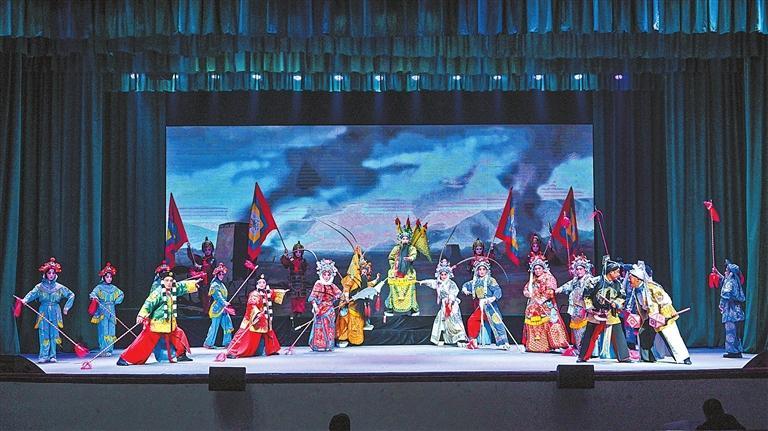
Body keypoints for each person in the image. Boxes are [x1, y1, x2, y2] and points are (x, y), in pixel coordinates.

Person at [117, 270, 199, 365]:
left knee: (179, 334)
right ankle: (124, 358)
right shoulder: (157, 293)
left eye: (171, 281)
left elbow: (181, 286)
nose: (169, 283)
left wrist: (193, 284)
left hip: (169, 323)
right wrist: (141, 315)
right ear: (162, 281)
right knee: (143, 342)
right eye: (167, 280)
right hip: (156, 324)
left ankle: (180, 355)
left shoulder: (173, 290)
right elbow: (148, 303)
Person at [627, 261, 692, 364]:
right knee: (644, 333)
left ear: (637, 279)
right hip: (650, 316)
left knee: (671, 336)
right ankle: (647, 358)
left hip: (662, 314)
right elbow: (641, 306)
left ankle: (684, 358)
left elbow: (665, 301)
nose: (628, 280)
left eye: (630, 277)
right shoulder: (636, 290)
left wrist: (664, 317)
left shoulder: (652, 288)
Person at [577, 258, 632, 363]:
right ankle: (583, 356)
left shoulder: (618, 284)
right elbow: (586, 296)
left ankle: (624, 357)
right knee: (590, 334)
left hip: (611, 312)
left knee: (617, 334)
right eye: (617, 272)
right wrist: (590, 308)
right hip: (596, 312)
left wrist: (616, 303)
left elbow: (622, 296)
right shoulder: (595, 281)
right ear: (610, 272)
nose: (618, 274)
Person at [21, 257, 75, 363]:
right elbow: (31, 294)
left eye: (53, 273)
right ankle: (43, 355)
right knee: (43, 333)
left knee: (54, 333)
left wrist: (66, 307)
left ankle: (53, 355)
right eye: (49, 273)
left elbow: (71, 295)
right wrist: (25, 300)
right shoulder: (39, 287)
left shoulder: (59, 287)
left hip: (55, 311)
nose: (51, 275)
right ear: (45, 274)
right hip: (43, 311)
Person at [226, 274, 286, 358]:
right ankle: (233, 352)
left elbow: (273, 292)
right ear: (257, 284)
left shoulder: (267, 292)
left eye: (263, 282)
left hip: (264, 318)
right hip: (252, 318)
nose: (262, 284)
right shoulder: (254, 294)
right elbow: (252, 305)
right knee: (243, 335)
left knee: (269, 333)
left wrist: (283, 291)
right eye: (260, 282)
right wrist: (257, 313)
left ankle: (272, 350)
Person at [522, 254, 569, 352]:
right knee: (535, 325)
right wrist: (527, 293)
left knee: (552, 323)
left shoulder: (549, 278)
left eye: (539, 268)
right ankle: (538, 346)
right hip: (534, 306)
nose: (537, 271)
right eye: (535, 269)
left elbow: (551, 291)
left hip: (546, 305)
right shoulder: (533, 279)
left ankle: (557, 345)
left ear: (543, 268)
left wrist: (541, 299)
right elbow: (526, 288)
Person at [461, 257, 510, 349]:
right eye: (480, 269)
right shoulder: (475, 281)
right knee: (472, 320)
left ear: (487, 270)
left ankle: (504, 343)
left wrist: (493, 298)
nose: (481, 271)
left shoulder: (491, 280)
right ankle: (473, 342)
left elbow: (497, 290)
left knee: (497, 323)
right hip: (481, 306)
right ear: (476, 271)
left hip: (490, 306)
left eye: (483, 269)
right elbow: (466, 285)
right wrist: (464, 289)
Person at [336, 246, 380, 347]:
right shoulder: (352, 277)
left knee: (358, 320)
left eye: (365, 270)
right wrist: (347, 298)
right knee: (345, 319)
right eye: (362, 269)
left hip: (358, 303)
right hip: (349, 302)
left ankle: (356, 338)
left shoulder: (362, 278)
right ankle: (343, 338)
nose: (364, 271)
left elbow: (367, 285)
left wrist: (376, 280)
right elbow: (346, 287)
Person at [418, 259, 468, 346]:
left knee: (454, 321)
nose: (443, 276)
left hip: (452, 304)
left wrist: (450, 302)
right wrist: (422, 282)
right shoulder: (438, 283)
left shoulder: (451, 283)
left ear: (448, 274)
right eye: (442, 274)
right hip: (444, 304)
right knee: (441, 321)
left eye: (445, 274)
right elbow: (431, 282)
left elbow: (454, 292)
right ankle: (442, 339)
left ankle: (460, 339)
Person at [384, 217, 425, 316]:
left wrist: (410, 258)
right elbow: (391, 258)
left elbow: (414, 255)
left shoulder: (411, 248)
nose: (405, 240)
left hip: (408, 272)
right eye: (403, 239)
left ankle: (413, 308)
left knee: (410, 291)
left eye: (407, 239)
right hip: (396, 272)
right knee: (393, 291)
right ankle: (390, 308)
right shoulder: (396, 248)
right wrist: (395, 265)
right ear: (401, 240)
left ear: (409, 239)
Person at [556, 254, 592, 356]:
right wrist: (560, 289)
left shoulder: (589, 280)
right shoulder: (575, 280)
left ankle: (587, 350)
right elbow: (568, 285)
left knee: (585, 330)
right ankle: (580, 349)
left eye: (581, 269)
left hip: (586, 308)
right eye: (577, 269)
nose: (579, 271)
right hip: (575, 308)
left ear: (585, 269)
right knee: (576, 330)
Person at [88, 262, 124, 356]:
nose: (109, 278)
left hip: (111, 310)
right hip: (102, 310)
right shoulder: (99, 287)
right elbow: (92, 294)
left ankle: (110, 349)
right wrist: (95, 298)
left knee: (111, 329)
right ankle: (104, 349)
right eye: (107, 277)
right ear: (103, 277)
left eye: (110, 277)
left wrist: (116, 302)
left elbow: (121, 294)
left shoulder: (114, 288)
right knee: (103, 329)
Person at [713, 260, 746, 358]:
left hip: (731, 311)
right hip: (737, 311)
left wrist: (721, 305)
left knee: (731, 331)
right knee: (736, 332)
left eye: (726, 270)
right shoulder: (735, 281)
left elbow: (725, 294)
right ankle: (737, 350)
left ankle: (733, 352)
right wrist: (717, 273)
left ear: (731, 273)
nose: (725, 272)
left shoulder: (730, 283)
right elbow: (725, 280)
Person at [308, 259, 343, 352]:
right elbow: (312, 297)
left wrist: (341, 296)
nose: (327, 277)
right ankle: (319, 345)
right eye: (324, 274)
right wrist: (315, 306)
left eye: (328, 274)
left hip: (330, 310)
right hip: (320, 309)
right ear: (321, 274)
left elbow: (340, 294)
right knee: (319, 327)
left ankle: (328, 345)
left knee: (330, 327)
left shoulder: (332, 285)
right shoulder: (318, 284)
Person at [203, 263, 234, 349]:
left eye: (223, 274)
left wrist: (225, 304)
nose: (222, 276)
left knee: (228, 325)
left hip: (224, 309)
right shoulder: (214, 285)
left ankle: (228, 343)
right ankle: (208, 343)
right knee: (214, 326)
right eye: (220, 274)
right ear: (216, 275)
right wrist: (224, 302)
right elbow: (218, 296)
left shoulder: (221, 284)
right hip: (217, 308)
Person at [281, 241, 310, 320]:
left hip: (301, 280)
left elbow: (304, 268)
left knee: (301, 297)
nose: (298, 254)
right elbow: (285, 264)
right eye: (296, 252)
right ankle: (294, 311)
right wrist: (285, 256)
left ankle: (300, 311)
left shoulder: (303, 261)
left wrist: (294, 261)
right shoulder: (290, 259)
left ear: (302, 253)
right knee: (294, 297)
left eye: (299, 252)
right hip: (293, 280)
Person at [187, 236, 216, 312]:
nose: (207, 251)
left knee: (208, 298)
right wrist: (188, 248)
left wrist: (199, 267)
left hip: (210, 282)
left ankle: (209, 312)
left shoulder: (212, 259)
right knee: (202, 297)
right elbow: (192, 257)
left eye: (209, 249)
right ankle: (205, 312)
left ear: (212, 249)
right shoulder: (202, 259)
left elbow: (208, 267)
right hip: (203, 282)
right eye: (205, 250)